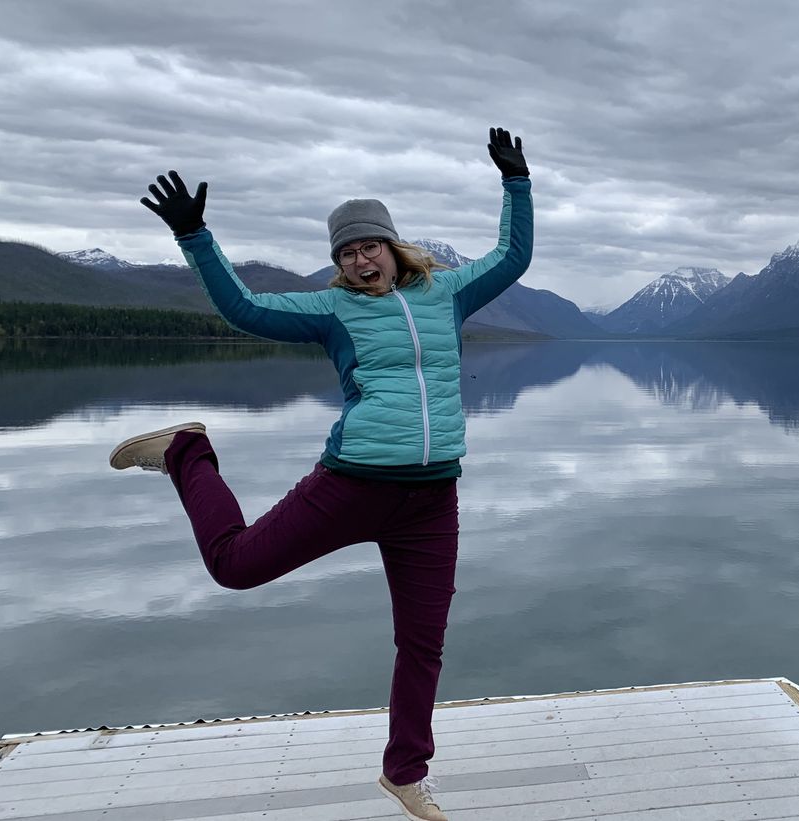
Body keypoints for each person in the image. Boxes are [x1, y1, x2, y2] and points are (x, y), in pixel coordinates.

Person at [109, 127, 533, 821]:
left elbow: (513, 255)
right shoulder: (332, 308)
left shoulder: (448, 293)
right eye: (346, 251)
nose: (360, 258)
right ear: (338, 263)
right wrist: (197, 238)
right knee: (235, 566)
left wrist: (516, 183)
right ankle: (186, 451)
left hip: (432, 499)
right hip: (354, 484)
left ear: (393, 247)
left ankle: (404, 772)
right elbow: (244, 307)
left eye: (369, 245)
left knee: (423, 642)